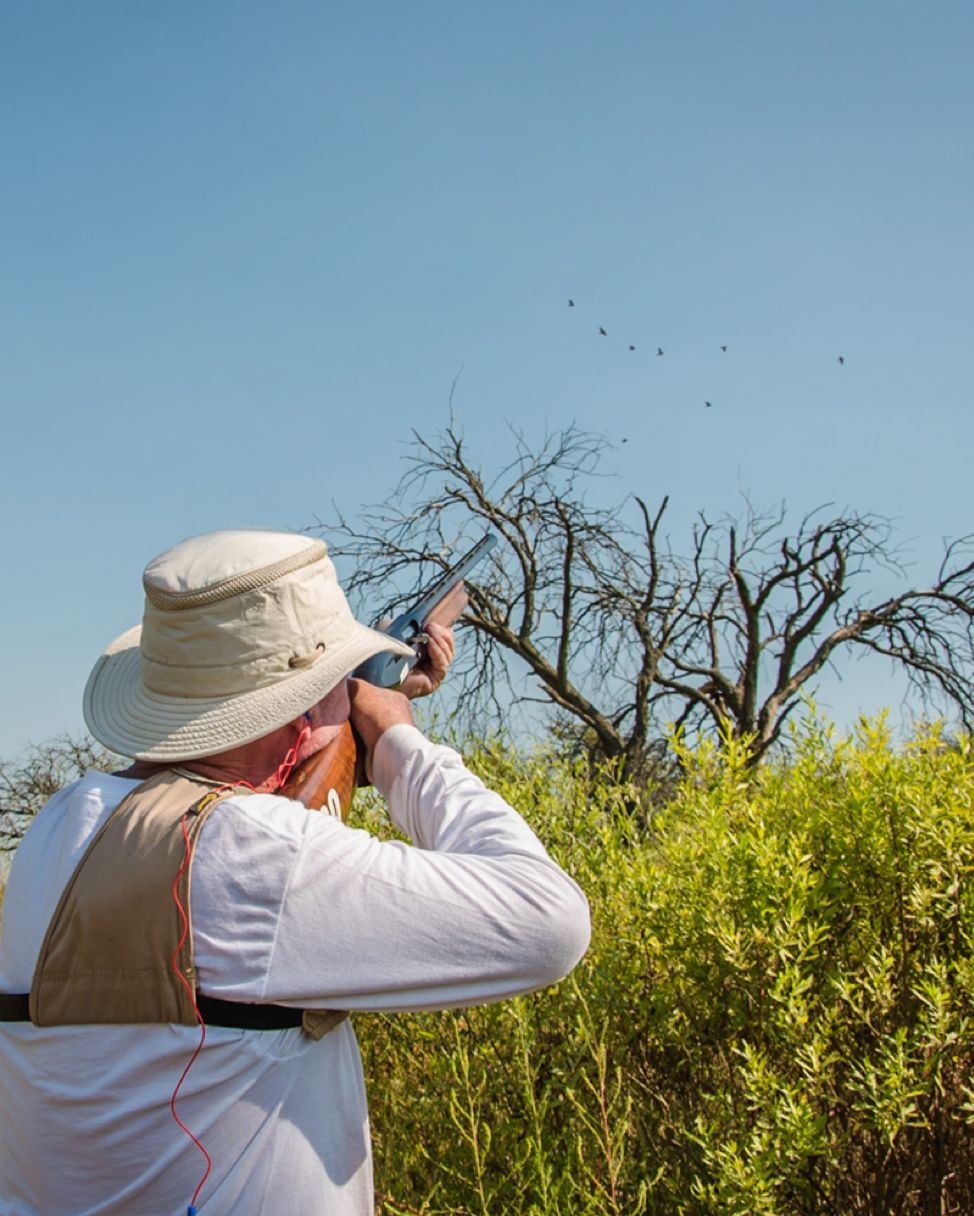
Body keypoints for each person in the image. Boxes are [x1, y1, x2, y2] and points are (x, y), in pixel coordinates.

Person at [0, 528, 590, 1216]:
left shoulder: (60, 825)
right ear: (303, 716)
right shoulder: (256, 854)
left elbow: (225, 829)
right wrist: (397, 737)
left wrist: (342, 741)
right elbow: (549, 922)